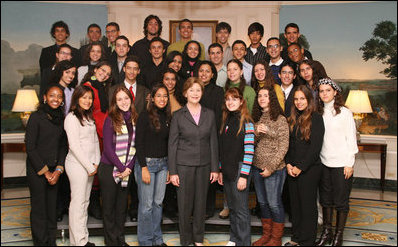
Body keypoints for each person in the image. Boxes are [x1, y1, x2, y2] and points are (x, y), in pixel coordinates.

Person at [168, 77, 219, 246]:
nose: (195, 93)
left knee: (200, 204)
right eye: (191, 90)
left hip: (204, 165)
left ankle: (198, 239)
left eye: (198, 90)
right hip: (183, 166)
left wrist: (215, 168)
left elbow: (213, 142)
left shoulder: (209, 114)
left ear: (202, 93)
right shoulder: (177, 116)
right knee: (184, 205)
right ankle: (185, 240)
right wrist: (173, 171)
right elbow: (172, 145)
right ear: (185, 93)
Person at [316, 78, 358, 246]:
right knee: (325, 200)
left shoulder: (344, 113)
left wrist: (350, 163)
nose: (324, 93)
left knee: (341, 201)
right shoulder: (318, 113)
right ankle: (327, 232)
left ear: (335, 92)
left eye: (328, 90)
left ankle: (338, 236)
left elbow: (351, 139)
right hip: (323, 162)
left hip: (342, 163)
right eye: (321, 91)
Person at [25, 84, 67, 246]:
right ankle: (41, 243)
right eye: (52, 96)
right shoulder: (36, 117)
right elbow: (30, 147)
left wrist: (57, 170)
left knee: (52, 209)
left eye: (59, 96)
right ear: (44, 97)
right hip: (37, 170)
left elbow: (63, 146)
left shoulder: (61, 118)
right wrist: (45, 172)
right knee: (39, 209)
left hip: (54, 170)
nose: (55, 99)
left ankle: (51, 241)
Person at [108, 56, 149, 222]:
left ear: (138, 71)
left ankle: (133, 210)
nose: (131, 71)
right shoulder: (113, 90)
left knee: (134, 178)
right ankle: (119, 213)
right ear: (124, 69)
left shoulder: (145, 91)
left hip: (138, 140)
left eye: (135, 68)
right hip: (119, 139)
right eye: (128, 67)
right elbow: (110, 114)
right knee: (118, 180)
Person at [284, 85, 325, 246]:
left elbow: (315, 148)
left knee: (307, 206)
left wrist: (300, 167)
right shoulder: (293, 118)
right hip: (292, 168)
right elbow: (288, 144)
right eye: (296, 99)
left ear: (309, 100)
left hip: (309, 169)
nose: (299, 102)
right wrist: (288, 164)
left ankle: (307, 241)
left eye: (302, 99)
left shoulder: (316, 118)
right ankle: (296, 238)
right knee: (296, 206)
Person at [98, 85, 138, 246]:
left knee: (122, 208)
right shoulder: (111, 118)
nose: (123, 102)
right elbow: (107, 148)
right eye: (119, 99)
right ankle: (111, 241)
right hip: (109, 169)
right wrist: (122, 168)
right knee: (109, 208)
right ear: (115, 102)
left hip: (126, 168)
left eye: (126, 98)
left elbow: (136, 146)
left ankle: (120, 239)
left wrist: (129, 167)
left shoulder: (135, 118)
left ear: (131, 99)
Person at [252, 86, 289, 246]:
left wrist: (271, 168)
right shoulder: (257, 118)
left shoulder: (280, 119)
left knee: (274, 203)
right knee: (262, 203)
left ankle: (276, 238)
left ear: (271, 98)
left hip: (274, 169)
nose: (261, 98)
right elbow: (251, 144)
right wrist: (255, 132)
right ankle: (266, 235)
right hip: (257, 167)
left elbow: (284, 146)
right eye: (259, 96)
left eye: (265, 96)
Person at [135, 83, 171, 246]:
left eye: (165, 96)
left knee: (158, 203)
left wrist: (169, 167)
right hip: (147, 165)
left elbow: (168, 144)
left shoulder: (168, 116)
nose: (162, 99)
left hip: (163, 165)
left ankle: (157, 239)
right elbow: (139, 143)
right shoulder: (144, 116)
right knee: (146, 205)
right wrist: (143, 168)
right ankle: (145, 240)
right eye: (159, 96)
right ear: (152, 98)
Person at [218, 87, 254, 246]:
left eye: (234, 99)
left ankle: (244, 242)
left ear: (241, 101)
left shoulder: (247, 122)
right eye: (228, 99)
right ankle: (234, 238)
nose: (230, 102)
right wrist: (220, 169)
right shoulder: (226, 120)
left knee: (241, 210)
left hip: (240, 170)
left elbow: (249, 151)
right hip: (227, 169)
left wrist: (244, 176)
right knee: (232, 207)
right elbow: (223, 149)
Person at [64, 85, 100, 246]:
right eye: (84, 97)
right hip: (77, 165)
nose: (87, 100)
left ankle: (82, 238)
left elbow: (95, 142)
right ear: (77, 98)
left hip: (90, 166)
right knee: (78, 203)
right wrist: (89, 166)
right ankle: (77, 242)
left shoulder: (88, 117)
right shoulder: (71, 117)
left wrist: (96, 163)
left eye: (90, 98)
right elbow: (74, 146)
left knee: (85, 203)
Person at [82, 61, 113, 220]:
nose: (104, 75)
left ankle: (96, 204)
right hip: (92, 134)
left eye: (107, 74)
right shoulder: (88, 87)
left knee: (100, 169)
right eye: (102, 71)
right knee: (92, 169)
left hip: (103, 133)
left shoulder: (101, 87)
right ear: (95, 69)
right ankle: (92, 206)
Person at [194, 61, 224, 219]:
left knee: (210, 173)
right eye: (201, 70)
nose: (204, 74)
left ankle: (208, 208)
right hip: (193, 139)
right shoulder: (192, 89)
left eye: (207, 71)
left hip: (212, 136)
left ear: (213, 74)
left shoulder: (219, 91)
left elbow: (219, 116)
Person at [49, 60, 77, 222]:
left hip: (71, 136)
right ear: (60, 71)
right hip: (57, 136)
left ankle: (66, 206)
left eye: (73, 73)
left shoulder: (73, 90)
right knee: (58, 171)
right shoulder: (53, 90)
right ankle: (57, 209)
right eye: (67, 72)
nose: (70, 75)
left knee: (68, 173)